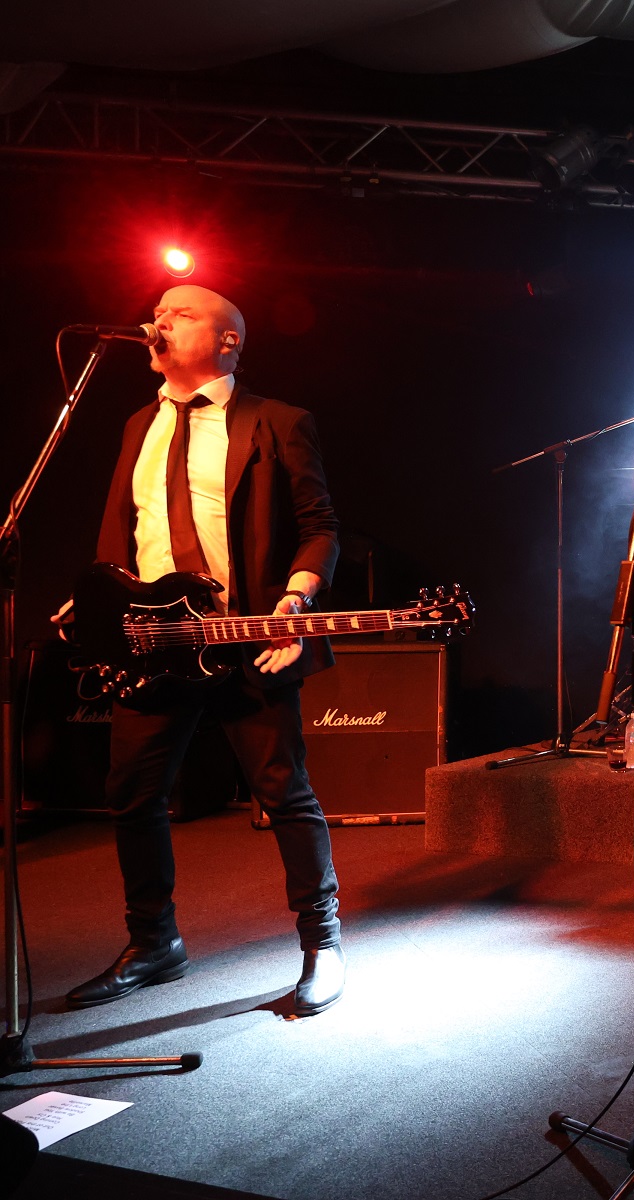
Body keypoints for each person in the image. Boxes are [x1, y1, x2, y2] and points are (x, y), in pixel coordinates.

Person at [57, 284, 347, 1017]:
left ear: (228, 341)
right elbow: (120, 531)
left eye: (179, 313)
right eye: (157, 311)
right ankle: (154, 942)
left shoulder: (277, 421)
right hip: (155, 643)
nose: (157, 320)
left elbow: (320, 526)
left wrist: (295, 601)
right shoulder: (138, 424)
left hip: (244, 637)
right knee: (133, 795)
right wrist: (99, 605)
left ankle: (322, 945)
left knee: (283, 792)